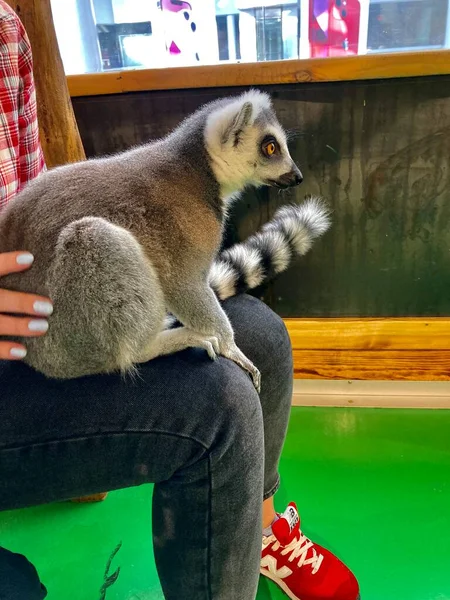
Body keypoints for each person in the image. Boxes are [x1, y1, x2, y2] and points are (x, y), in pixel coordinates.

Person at [0, 2, 360, 599]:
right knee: (220, 401)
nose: (287, 168)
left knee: (263, 339)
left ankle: (261, 532)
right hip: (57, 343)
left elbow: (38, 195)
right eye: (269, 151)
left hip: (45, 314)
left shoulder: (8, 30)